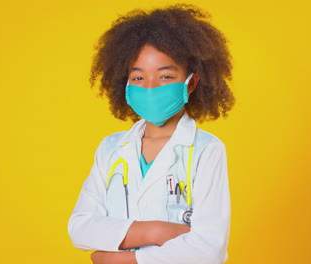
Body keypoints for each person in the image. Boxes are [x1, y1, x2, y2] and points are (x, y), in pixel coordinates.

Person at [68, 4, 235, 264]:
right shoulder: (111, 148)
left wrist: (124, 260)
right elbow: (80, 229)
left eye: (165, 76)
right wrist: (155, 231)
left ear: (191, 83)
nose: (150, 87)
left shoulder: (206, 149)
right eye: (138, 78)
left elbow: (210, 249)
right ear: (124, 83)